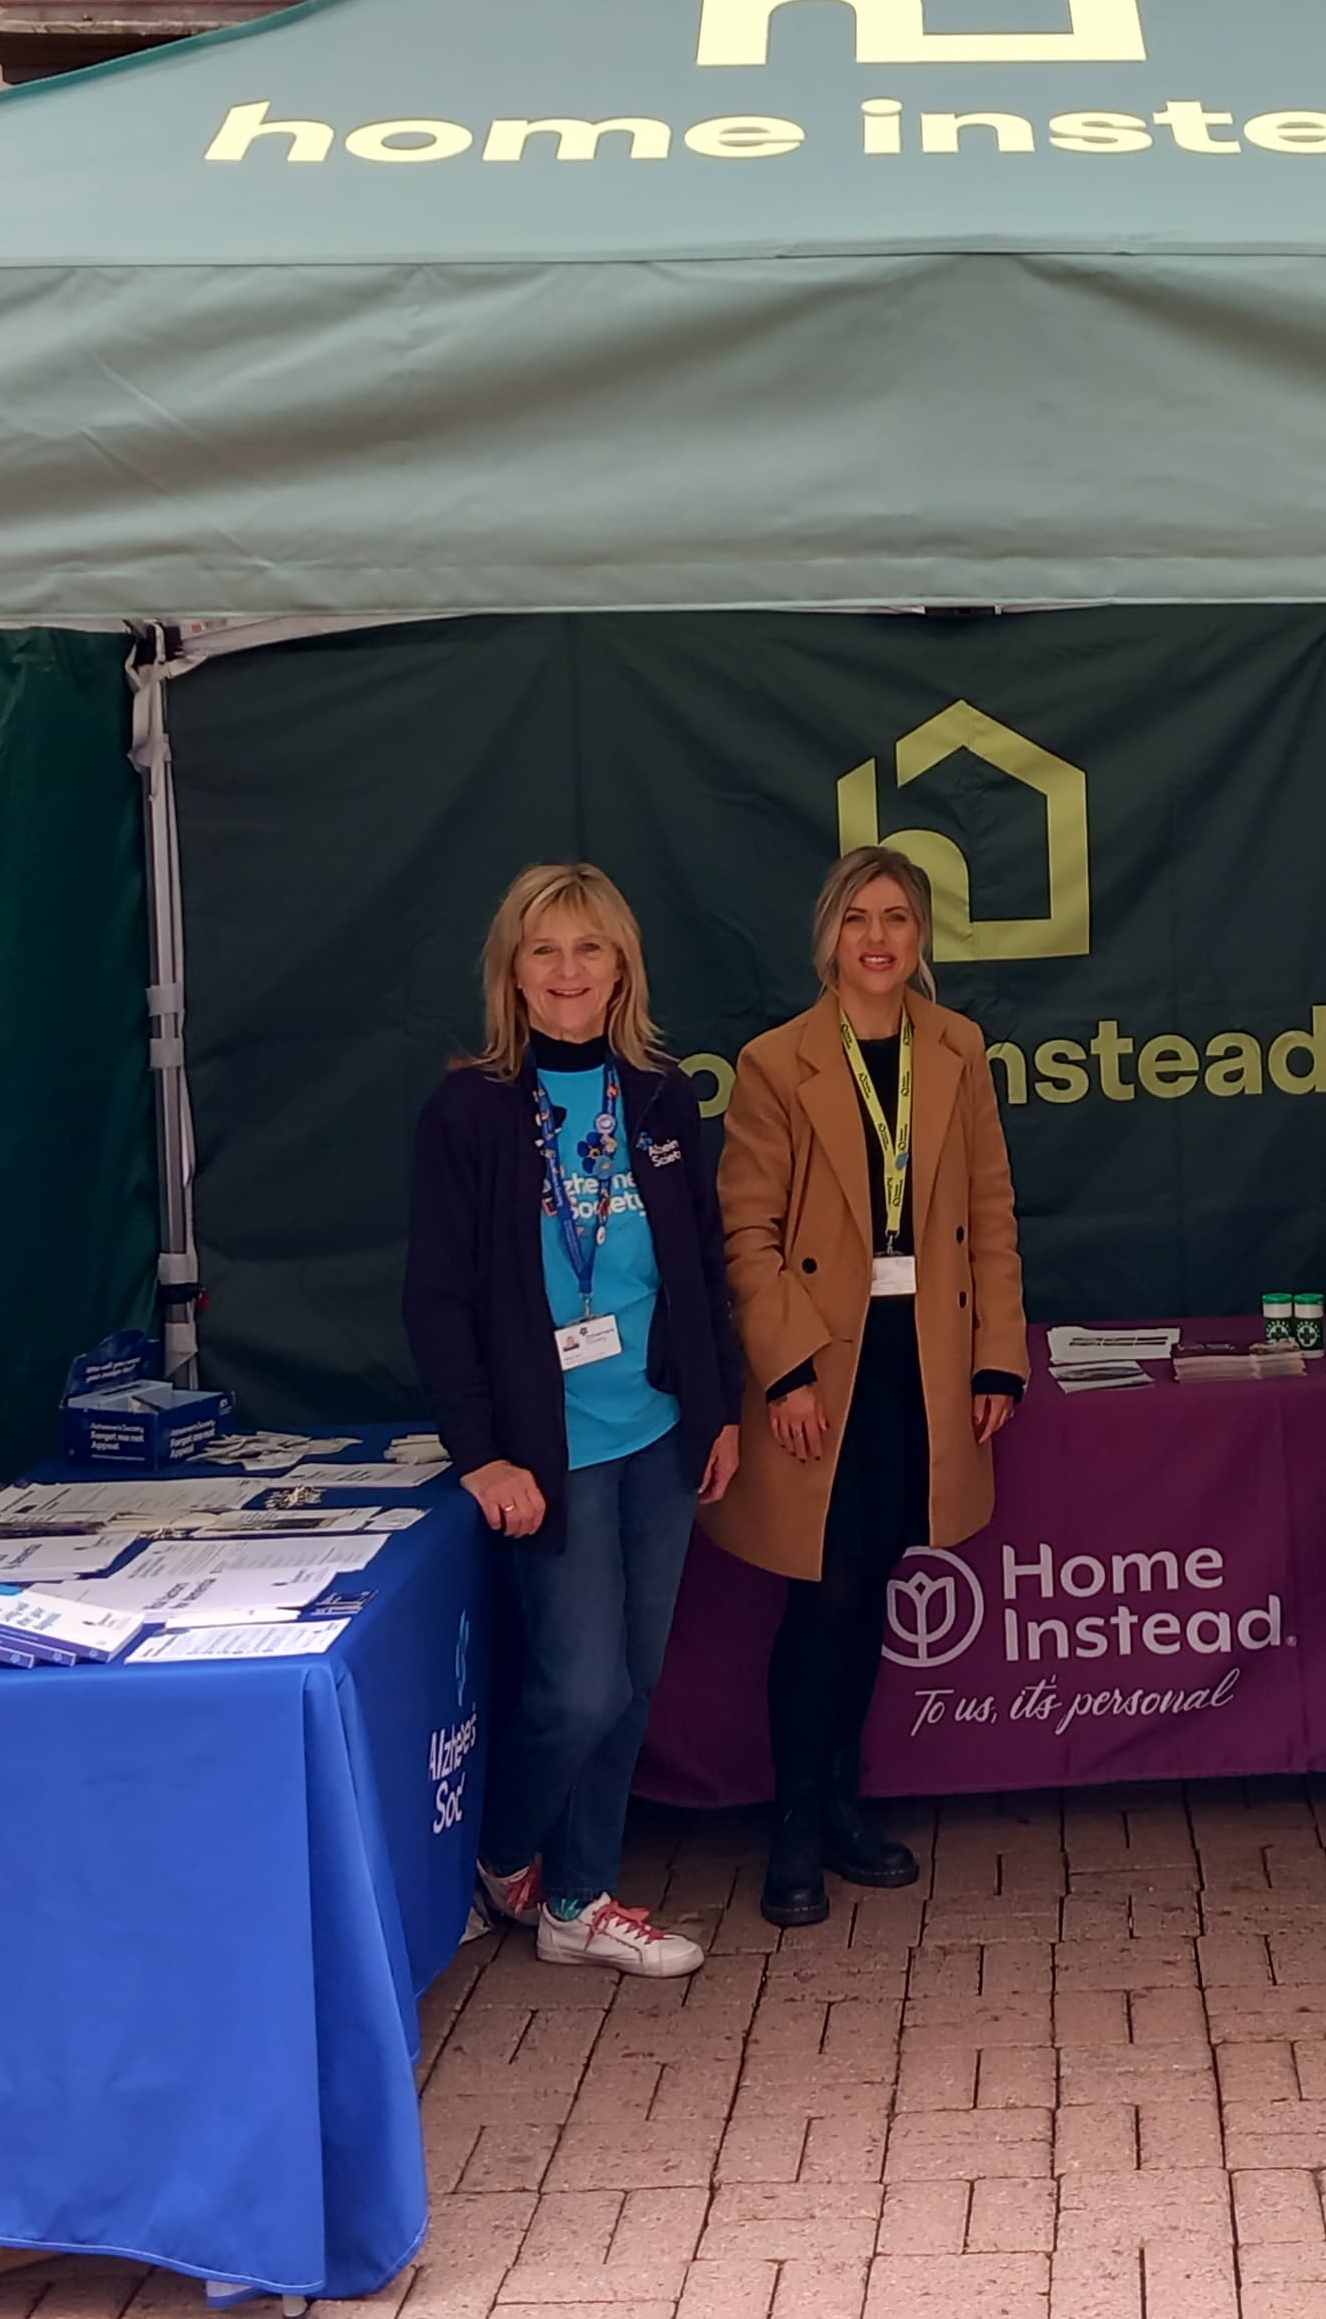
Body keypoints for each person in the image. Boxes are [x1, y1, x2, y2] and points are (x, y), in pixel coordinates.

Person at [404, 863, 742, 1979]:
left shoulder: (658, 1095)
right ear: (512, 971)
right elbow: (438, 1298)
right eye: (545, 951)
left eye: (589, 949)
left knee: (634, 1683)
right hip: (549, 1452)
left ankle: (581, 1900)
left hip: (657, 1430)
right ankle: (503, 1857)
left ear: (621, 968)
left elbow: (698, 1261)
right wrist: (483, 1452)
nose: (567, 972)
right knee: (581, 1685)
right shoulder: (471, 1112)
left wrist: (720, 1406)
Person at [710, 843, 1025, 1928]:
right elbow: (745, 1233)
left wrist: (998, 1357)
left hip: (924, 1360)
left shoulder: (958, 1049)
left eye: (896, 917)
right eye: (858, 918)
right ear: (829, 936)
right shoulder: (775, 1062)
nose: (878, 938)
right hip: (823, 1364)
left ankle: (844, 1805)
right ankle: (795, 1824)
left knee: (876, 1581)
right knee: (824, 1591)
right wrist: (786, 1369)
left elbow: (989, 1214)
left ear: (921, 936)